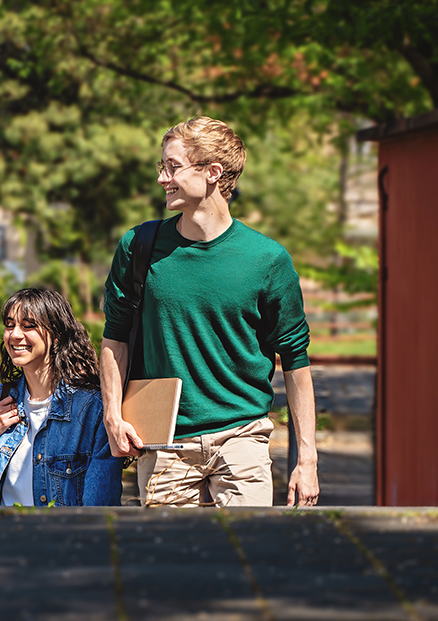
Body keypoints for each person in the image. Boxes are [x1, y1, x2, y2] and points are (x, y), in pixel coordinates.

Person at [100, 116, 318, 508]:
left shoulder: (267, 260)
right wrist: (113, 417)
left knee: (244, 561)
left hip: (243, 441)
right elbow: (114, 338)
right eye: (161, 166)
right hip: (164, 445)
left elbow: (296, 363)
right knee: (172, 568)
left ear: (213, 173)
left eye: (173, 166)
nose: (162, 178)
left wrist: (308, 459)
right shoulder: (139, 247)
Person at [0, 286, 121, 507]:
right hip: (6, 534)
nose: (15, 334)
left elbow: (100, 503)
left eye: (29, 326)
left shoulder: (91, 408)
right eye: (9, 325)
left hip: (63, 537)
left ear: (56, 335)